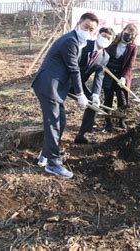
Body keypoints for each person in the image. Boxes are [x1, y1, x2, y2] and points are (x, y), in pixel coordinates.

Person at [32, 12, 99, 178]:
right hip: (49, 86)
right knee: (53, 123)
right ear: (78, 24)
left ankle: (46, 154)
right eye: (86, 27)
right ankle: (53, 164)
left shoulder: (78, 42)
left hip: (55, 87)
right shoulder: (70, 41)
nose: (89, 31)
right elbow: (73, 69)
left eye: (92, 30)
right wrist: (81, 94)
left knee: (60, 121)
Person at [74, 27, 115, 144]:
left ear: (111, 42)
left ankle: (82, 135)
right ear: (98, 35)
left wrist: (95, 94)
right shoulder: (84, 45)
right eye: (103, 36)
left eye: (108, 38)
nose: (105, 39)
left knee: (93, 105)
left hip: (80, 82)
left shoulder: (105, 57)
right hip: (65, 80)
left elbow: (99, 76)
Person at [102, 24, 139, 131]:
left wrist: (123, 77)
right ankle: (108, 123)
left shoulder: (133, 47)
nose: (129, 36)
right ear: (123, 31)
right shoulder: (113, 40)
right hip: (109, 73)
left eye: (132, 34)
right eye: (128, 32)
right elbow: (104, 52)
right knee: (107, 98)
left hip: (122, 75)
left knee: (122, 99)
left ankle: (121, 120)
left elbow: (130, 64)